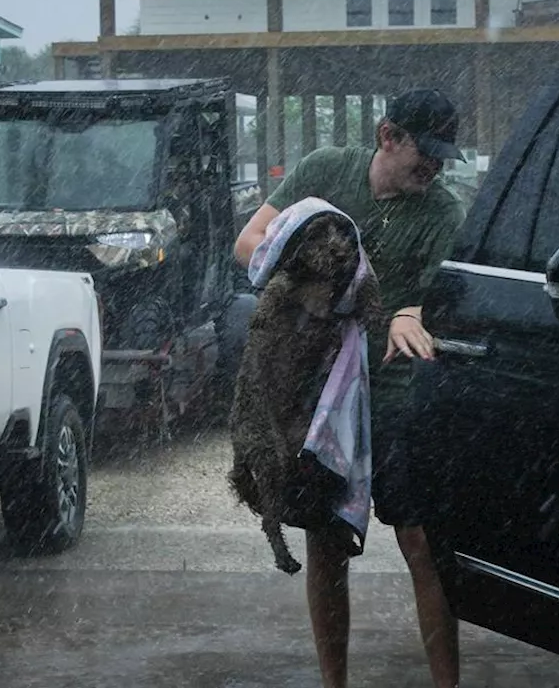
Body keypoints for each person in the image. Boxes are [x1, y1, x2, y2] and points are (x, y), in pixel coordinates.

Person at [233, 88, 469, 688]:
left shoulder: (443, 215)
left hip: (394, 402)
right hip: (319, 401)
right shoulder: (324, 173)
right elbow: (249, 243)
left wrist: (410, 314)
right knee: (326, 543)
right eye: (426, 152)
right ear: (388, 136)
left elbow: (427, 303)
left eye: (445, 155)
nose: (435, 166)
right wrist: (317, 275)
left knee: (420, 542)